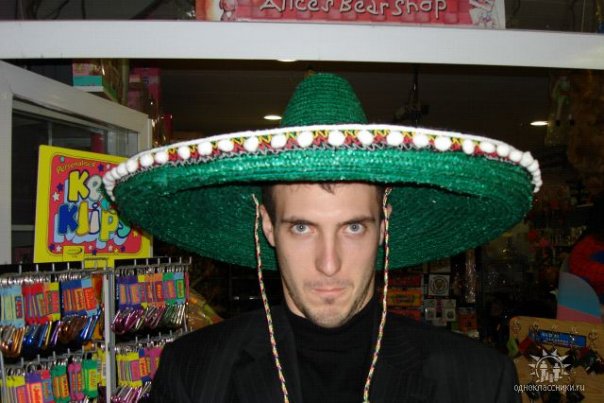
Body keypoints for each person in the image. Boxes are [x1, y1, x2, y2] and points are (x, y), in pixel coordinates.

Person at [104, 73, 542, 402]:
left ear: (384, 224)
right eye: (302, 227)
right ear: (267, 226)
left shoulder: (478, 383)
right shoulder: (193, 373)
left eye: (353, 227)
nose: (328, 264)